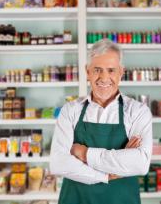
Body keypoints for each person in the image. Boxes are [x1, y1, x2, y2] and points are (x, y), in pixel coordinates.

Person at [50, 39, 153, 204]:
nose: (104, 78)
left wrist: (84, 154)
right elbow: (58, 163)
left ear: (121, 72)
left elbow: (140, 163)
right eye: (97, 70)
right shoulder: (70, 110)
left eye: (111, 70)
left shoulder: (138, 112)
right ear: (87, 71)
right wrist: (106, 175)